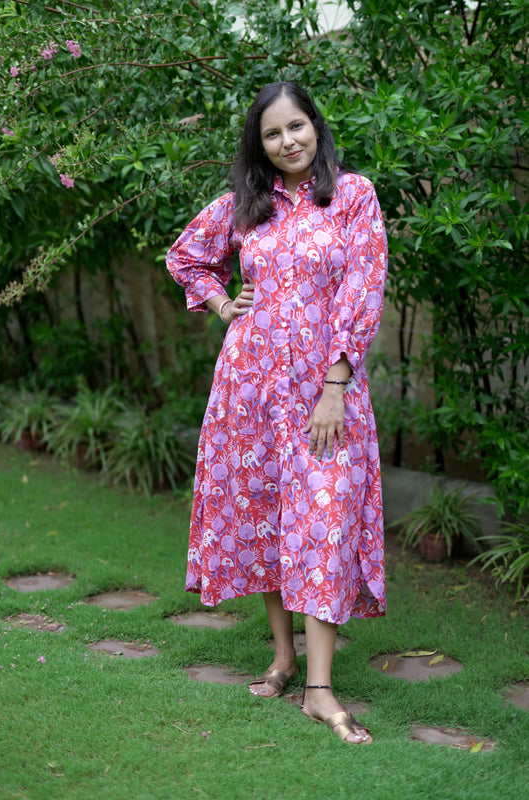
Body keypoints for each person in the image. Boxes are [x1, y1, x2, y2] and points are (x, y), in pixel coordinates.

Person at [166, 81, 388, 745]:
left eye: (297, 127)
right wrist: (218, 302)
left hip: (326, 390)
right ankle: (286, 659)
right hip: (251, 385)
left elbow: (364, 286)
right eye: (272, 133)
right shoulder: (245, 205)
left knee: (321, 519)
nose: (288, 141)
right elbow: (185, 256)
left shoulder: (352, 196)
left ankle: (320, 688)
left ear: (314, 127)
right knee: (269, 516)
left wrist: (334, 384)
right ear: (257, 144)